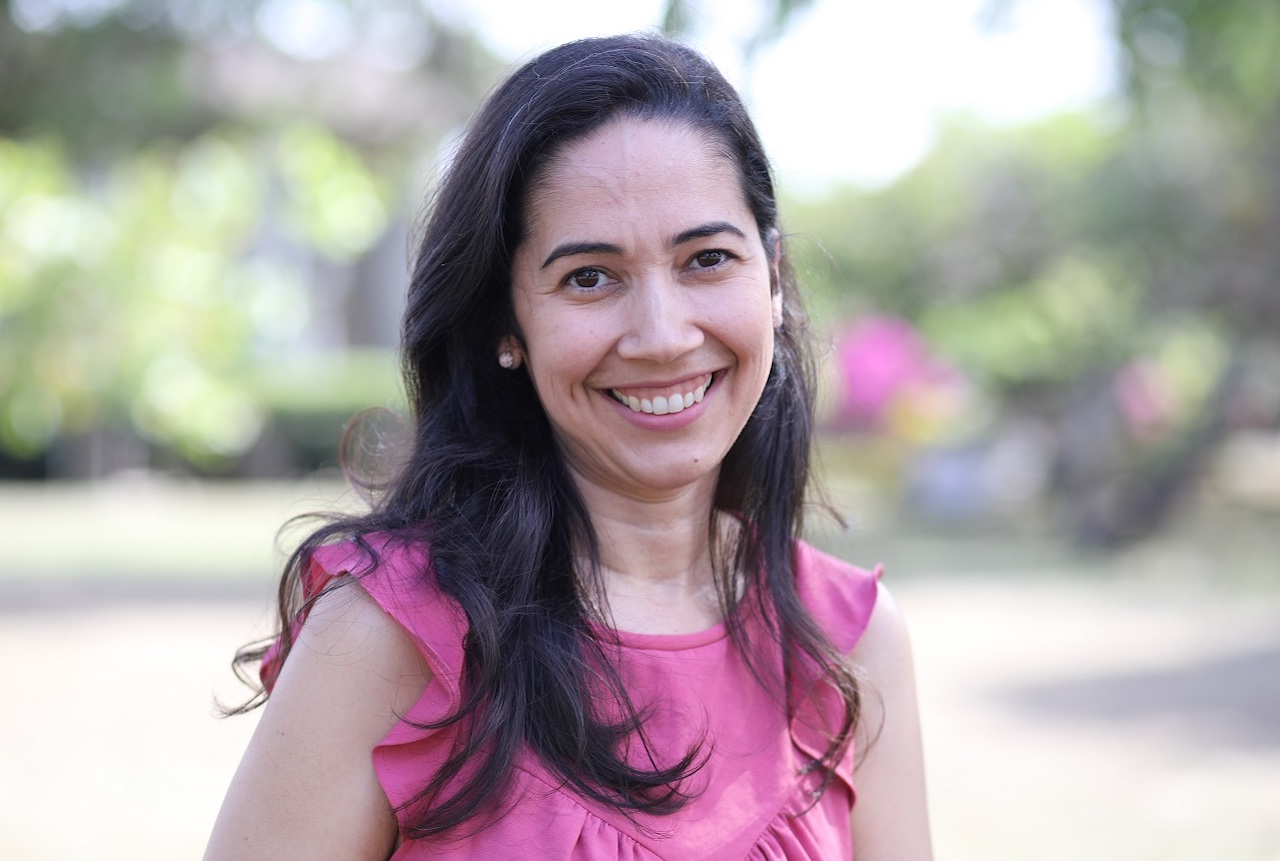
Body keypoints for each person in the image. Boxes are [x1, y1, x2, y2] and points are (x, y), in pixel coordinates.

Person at [204, 33, 932, 861]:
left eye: (706, 259)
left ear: (770, 279)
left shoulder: (851, 643)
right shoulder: (392, 637)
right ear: (507, 322)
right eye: (590, 276)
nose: (662, 334)